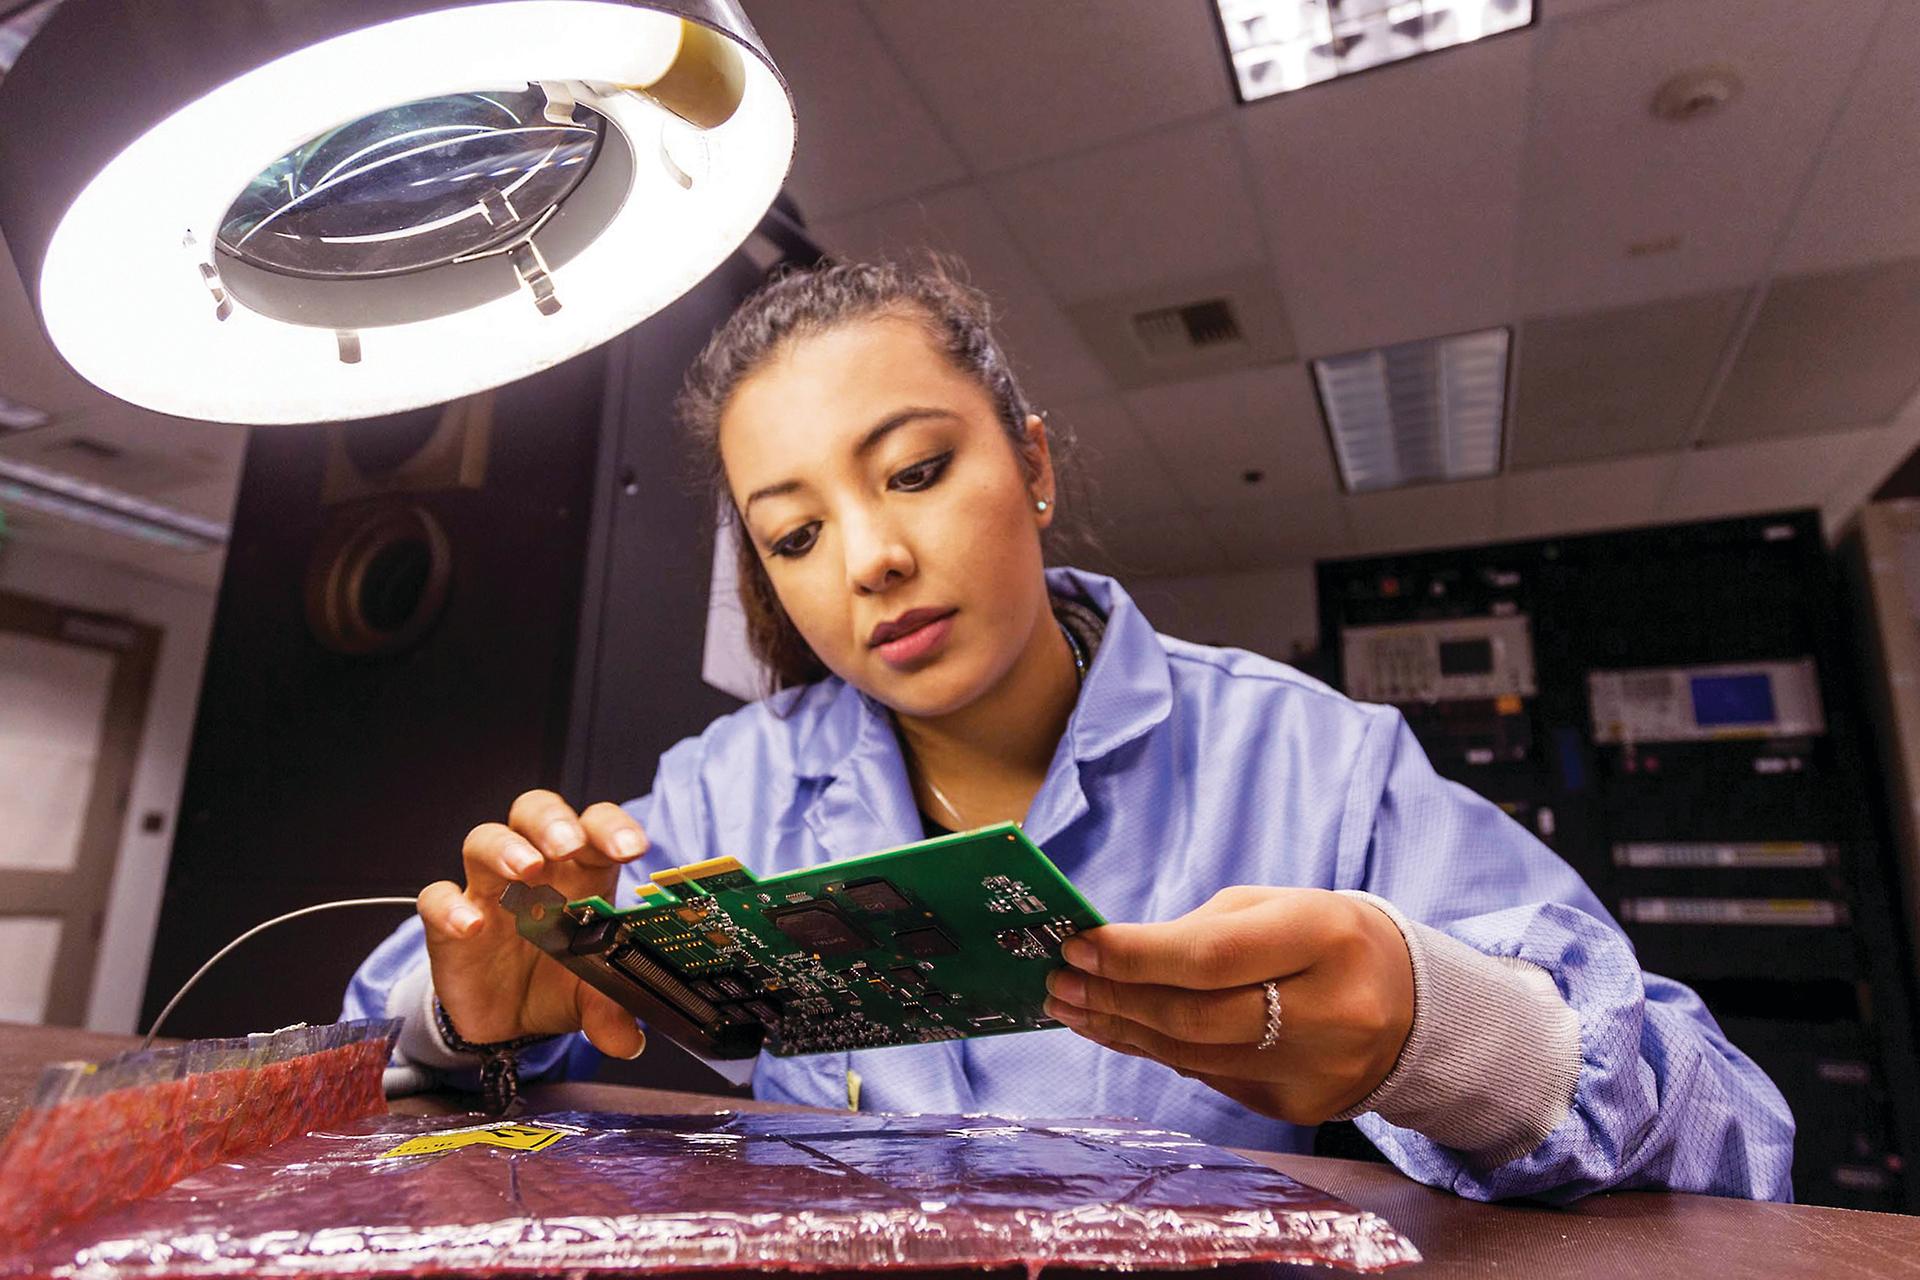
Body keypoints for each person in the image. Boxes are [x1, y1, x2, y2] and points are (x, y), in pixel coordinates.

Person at [344, 259, 1794, 1203]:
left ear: (1030, 465)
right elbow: (371, 1043)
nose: (867, 563)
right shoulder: (735, 785)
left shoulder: (1311, 766)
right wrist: (483, 1001)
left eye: (914, 470)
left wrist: (1443, 1034)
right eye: (792, 534)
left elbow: (1738, 1151)